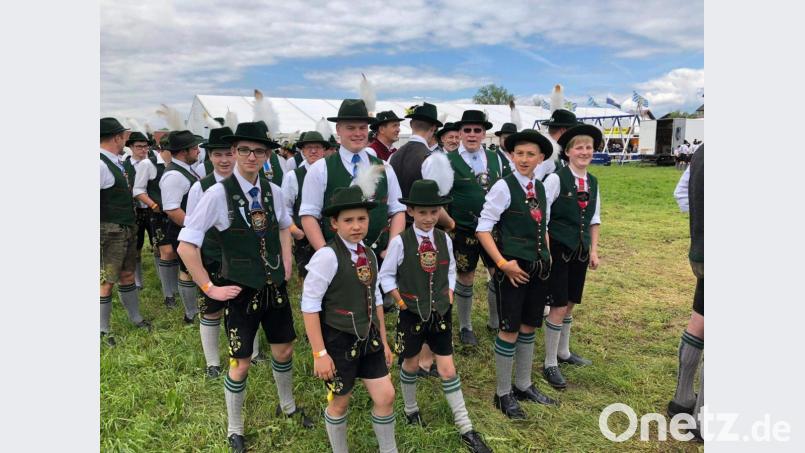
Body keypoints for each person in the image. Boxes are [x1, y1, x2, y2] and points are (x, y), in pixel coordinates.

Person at [177, 122, 312, 452]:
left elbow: (283, 227)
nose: (251, 156)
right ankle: (234, 428)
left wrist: (288, 261)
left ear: (268, 156)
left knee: (284, 349)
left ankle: (288, 406)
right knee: (241, 362)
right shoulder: (216, 194)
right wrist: (209, 288)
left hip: (274, 288)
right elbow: (186, 245)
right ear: (235, 152)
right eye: (244, 150)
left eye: (259, 151)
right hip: (240, 290)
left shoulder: (273, 190)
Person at [379, 180, 492, 452]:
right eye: (422, 213)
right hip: (411, 312)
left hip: (440, 311)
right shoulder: (400, 242)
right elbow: (386, 275)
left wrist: (450, 292)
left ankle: (465, 426)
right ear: (411, 213)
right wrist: (399, 301)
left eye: (433, 212)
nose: (428, 218)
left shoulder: (443, 238)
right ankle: (410, 408)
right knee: (410, 363)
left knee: (447, 368)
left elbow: (452, 269)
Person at [301, 185, 397, 453]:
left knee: (386, 395)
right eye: (348, 220)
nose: (356, 226)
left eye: (362, 219)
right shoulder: (327, 257)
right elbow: (309, 306)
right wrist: (320, 353)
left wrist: (384, 340)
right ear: (334, 223)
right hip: (339, 339)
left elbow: (376, 299)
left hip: (369, 337)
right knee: (340, 402)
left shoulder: (369, 254)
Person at [476, 129, 558, 419]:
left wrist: (546, 256)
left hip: (538, 268)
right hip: (512, 269)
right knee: (509, 329)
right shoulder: (503, 187)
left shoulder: (542, 188)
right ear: (511, 155)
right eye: (519, 153)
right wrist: (501, 264)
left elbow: (542, 227)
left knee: (529, 326)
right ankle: (502, 393)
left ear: (541, 158)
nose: (524, 159)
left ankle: (523, 384)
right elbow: (483, 229)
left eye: (531, 154)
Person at [299, 99, 406, 289]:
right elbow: (308, 215)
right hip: (336, 260)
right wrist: (326, 255)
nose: (358, 133)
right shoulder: (320, 169)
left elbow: (397, 210)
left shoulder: (385, 168)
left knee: (376, 311)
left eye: (362, 128)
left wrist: (391, 250)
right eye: (351, 127)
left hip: (377, 258)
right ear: (338, 130)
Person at [426, 109, 504, 346]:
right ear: (459, 133)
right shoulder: (446, 161)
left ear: (484, 133)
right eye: (467, 130)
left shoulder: (496, 158)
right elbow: (437, 197)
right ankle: (465, 326)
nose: (472, 135)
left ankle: (495, 320)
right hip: (463, 230)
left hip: (493, 229)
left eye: (477, 130)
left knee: (497, 273)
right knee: (466, 276)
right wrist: (450, 225)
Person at [542, 124, 603, 389]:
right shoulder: (556, 179)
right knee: (556, 305)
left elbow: (595, 219)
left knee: (570, 302)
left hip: (579, 250)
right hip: (557, 249)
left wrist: (594, 250)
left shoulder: (593, 181)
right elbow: (542, 217)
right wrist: (545, 251)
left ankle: (564, 351)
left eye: (588, 147)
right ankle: (549, 362)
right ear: (567, 152)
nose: (584, 151)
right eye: (579, 147)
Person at [184, 126, 238, 379]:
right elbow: (192, 229)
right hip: (213, 256)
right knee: (212, 308)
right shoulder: (200, 187)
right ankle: (212, 361)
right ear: (210, 157)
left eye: (229, 154)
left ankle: (248, 351)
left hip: (242, 257)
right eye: (218, 155)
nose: (225, 160)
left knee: (245, 306)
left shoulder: (247, 182)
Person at [99, 118, 151, 346]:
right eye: (124, 137)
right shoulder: (99, 164)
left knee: (127, 274)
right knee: (106, 280)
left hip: (125, 227)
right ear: (117, 137)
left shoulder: (116, 161)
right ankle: (102, 329)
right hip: (109, 230)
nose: (125, 141)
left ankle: (135, 317)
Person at [668, 144, 704, 441]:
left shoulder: (704, 150)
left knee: (700, 319)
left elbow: (682, 194)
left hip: (702, 251)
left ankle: (682, 399)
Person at [160, 130, 204, 324]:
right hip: (183, 230)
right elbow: (172, 209)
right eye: (194, 148)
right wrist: (194, 228)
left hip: (190, 229)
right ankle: (190, 314)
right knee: (187, 270)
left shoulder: (185, 169)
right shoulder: (174, 176)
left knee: (194, 268)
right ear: (182, 151)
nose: (198, 151)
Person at [133, 134, 178, 308]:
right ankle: (169, 295)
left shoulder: (177, 164)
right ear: (163, 149)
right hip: (158, 214)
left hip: (176, 212)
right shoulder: (148, 164)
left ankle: (175, 288)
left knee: (176, 250)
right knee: (166, 251)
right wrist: (152, 204)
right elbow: (138, 189)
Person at [281, 130, 329, 287]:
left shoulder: (331, 173)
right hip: (305, 240)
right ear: (302, 151)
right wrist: (295, 230)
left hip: (331, 235)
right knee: (309, 281)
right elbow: (284, 208)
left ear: (324, 150)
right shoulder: (293, 176)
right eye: (309, 147)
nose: (313, 151)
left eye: (317, 147)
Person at [122, 131, 155, 290]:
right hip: (134, 212)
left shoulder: (154, 164)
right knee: (136, 246)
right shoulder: (124, 166)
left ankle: (164, 277)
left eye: (145, 146)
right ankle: (137, 280)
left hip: (153, 210)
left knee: (159, 244)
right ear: (131, 147)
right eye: (139, 147)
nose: (143, 150)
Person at [537, 109, 580, 180]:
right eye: (573, 132)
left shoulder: (552, 150)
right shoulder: (547, 154)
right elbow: (531, 185)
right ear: (563, 131)